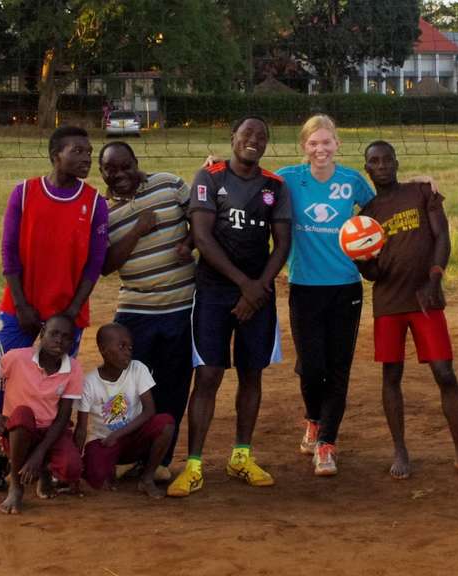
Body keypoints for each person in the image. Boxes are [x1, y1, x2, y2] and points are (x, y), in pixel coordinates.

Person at [167, 116, 292, 497]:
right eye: (247, 134)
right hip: (215, 292)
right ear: (232, 138)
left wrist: (258, 289)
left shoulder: (275, 186)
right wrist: (245, 286)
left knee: (251, 373)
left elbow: (282, 244)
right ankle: (194, 464)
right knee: (208, 375)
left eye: (262, 136)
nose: (254, 140)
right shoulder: (210, 177)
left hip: (258, 293)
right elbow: (202, 237)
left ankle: (241, 455)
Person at [356, 140, 458, 480]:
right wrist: (362, 261)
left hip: (425, 299)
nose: (383, 165)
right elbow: (373, 273)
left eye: (388, 159)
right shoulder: (367, 215)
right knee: (391, 375)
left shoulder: (420, 192)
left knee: (444, 372)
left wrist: (435, 279)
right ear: (368, 170)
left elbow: (442, 237)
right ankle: (400, 449)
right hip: (388, 304)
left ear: (397, 162)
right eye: (375, 161)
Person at [0, 126, 109, 492]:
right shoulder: (24, 193)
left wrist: (71, 310)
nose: (86, 158)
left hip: (66, 318)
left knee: (53, 389)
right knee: (3, 384)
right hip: (21, 310)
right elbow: (9, 251)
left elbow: (94, 264)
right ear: (55, 155)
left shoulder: (95, 202)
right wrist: (21, 303)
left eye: (89, 152)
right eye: (77, 151)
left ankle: (48, 460)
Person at [275, 114, 374, 476]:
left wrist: (421, 186)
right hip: (304, 286)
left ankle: (326, 443)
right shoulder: (288, 178)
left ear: (337, 145)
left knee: (337, 367)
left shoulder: (351, 181)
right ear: (304, 146)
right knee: (311, 367)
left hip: (345, 286)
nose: (321, 149)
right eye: (313, 143)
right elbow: (249, 180)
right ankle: (313, 419)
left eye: (326, 142)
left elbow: (381, 206)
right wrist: (215, 167)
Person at [99, 141, 194, 482]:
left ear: (137, 162)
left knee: (173, 385)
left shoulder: (169, 184)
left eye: (126, 167)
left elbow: (200, 219)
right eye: (112, 170)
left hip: (180, 306)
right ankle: (117, 451)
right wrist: (138, 229)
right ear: (102, 172)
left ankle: (160, 461)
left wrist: (190, 244)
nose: (120, 175)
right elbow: (106, 265)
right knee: (126, 384)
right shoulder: (102, 211)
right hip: (135, 310)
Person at [0, 315, 84, 514]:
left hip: (50, 432)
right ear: (42, 334)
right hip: (19, 431)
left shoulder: (73, 369)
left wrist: (39, 455)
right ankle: (16, 486)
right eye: (54, 333)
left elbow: (63, 418)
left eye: (66, 337)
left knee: (72, 468)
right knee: (23, 414)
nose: (59, 340)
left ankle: (44, 472)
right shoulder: (17, 357)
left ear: (72, 343)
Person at [74, 323, 175, 499]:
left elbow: (149, 411)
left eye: (130, 347)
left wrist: (117, 434)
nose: (128, 351)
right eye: (121, 346)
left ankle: (147, 477)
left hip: (133, 437)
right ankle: (114, 467)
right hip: (104, 442)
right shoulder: (89, 382)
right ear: (103, 349)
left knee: (165, 423)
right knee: (96, 480)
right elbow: (81, 428)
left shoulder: (137, 369)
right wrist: (74, 467)